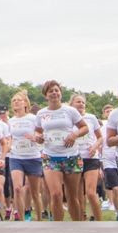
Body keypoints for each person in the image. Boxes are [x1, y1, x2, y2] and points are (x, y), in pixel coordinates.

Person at [35, 80, 87, 222]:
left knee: (72, 196)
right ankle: (58, 228)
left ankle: (77, 225)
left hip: (71, 156)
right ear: (46, 95)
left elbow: (84, 127)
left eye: (56, 90)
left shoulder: (70, 111)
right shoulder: (41, 113)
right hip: (50, 157)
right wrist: (38, 137)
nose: (54, 93)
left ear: (61, 94)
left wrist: (74, 134)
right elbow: (37, 131)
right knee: (56, 194)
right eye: (50, 91)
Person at [4, 91, 43, 221]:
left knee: (34, 193)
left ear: (25, 103)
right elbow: (10, 138)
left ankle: (39, 220)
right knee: (17, 188)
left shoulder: (33, 118)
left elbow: (40, 135)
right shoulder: (11, 121)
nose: (16, 102)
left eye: (19, 100)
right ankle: (21, 221)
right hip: (16, 157)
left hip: (32, 156)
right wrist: (9, 145)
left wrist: (35, 138)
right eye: (14, 100)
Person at [70, 95, 103, 220]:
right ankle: (80, 222)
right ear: (71, 104)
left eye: (83, 102)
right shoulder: (69, 119)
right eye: (78, 102)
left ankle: (100, 222)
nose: (81, 104)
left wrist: (95, 147)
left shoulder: (91, 118)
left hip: (90, 158)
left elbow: (100, 137)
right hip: (75, 157)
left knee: (90, 192)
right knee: (78, 195)